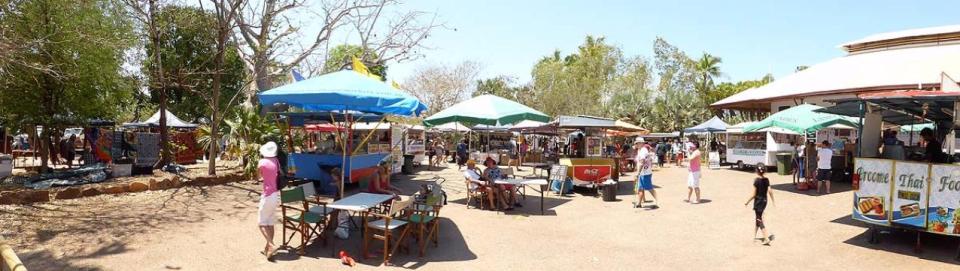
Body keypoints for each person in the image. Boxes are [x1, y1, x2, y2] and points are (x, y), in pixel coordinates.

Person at [257, 141, 281, 260]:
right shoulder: (276, 161)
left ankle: (271, 244)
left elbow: (258, 176)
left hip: (267, 195)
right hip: (275, 194)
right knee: (270, 222)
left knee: (261, 223)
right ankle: (268, 249)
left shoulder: (262, 162)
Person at [744, 166, 775, 245]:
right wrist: (773, 200)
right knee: (758, 218)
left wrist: (747, 202)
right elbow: (770, 191)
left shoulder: (756, 181)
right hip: (764, 201)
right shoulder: (766, 180)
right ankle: (754, 236)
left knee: (759, 219)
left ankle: (766, 238)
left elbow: (754, 194)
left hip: (758, 202)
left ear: (757, 171)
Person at [635, 139, 659, 208]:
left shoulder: (643, 150)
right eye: (636, 143)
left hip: (645, 173)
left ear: (641, 143)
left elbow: (642, 162)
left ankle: (657, 201)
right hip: (643, 173)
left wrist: (638, 172)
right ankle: (639, 203)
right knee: (640, 188)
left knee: (649, 188)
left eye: (637, 143)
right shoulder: (640, 150)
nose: (636, 144)